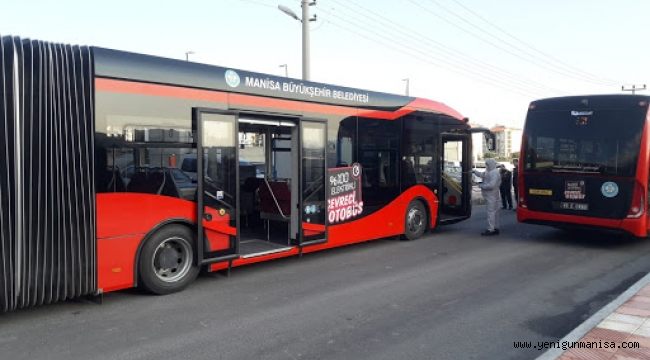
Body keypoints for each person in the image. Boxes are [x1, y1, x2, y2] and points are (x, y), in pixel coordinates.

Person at [473, 158, 501, 236]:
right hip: (491, 196)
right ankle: (495, 227)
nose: (486, 166)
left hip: (492, 196)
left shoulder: (494, 173)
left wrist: (481, 185)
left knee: (491, 213)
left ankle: (490, 229)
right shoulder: (489, 171)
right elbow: (482, 175)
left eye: (487, 164)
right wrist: (475, 172)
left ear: (491, 164)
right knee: (494, 212)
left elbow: (491, 185)